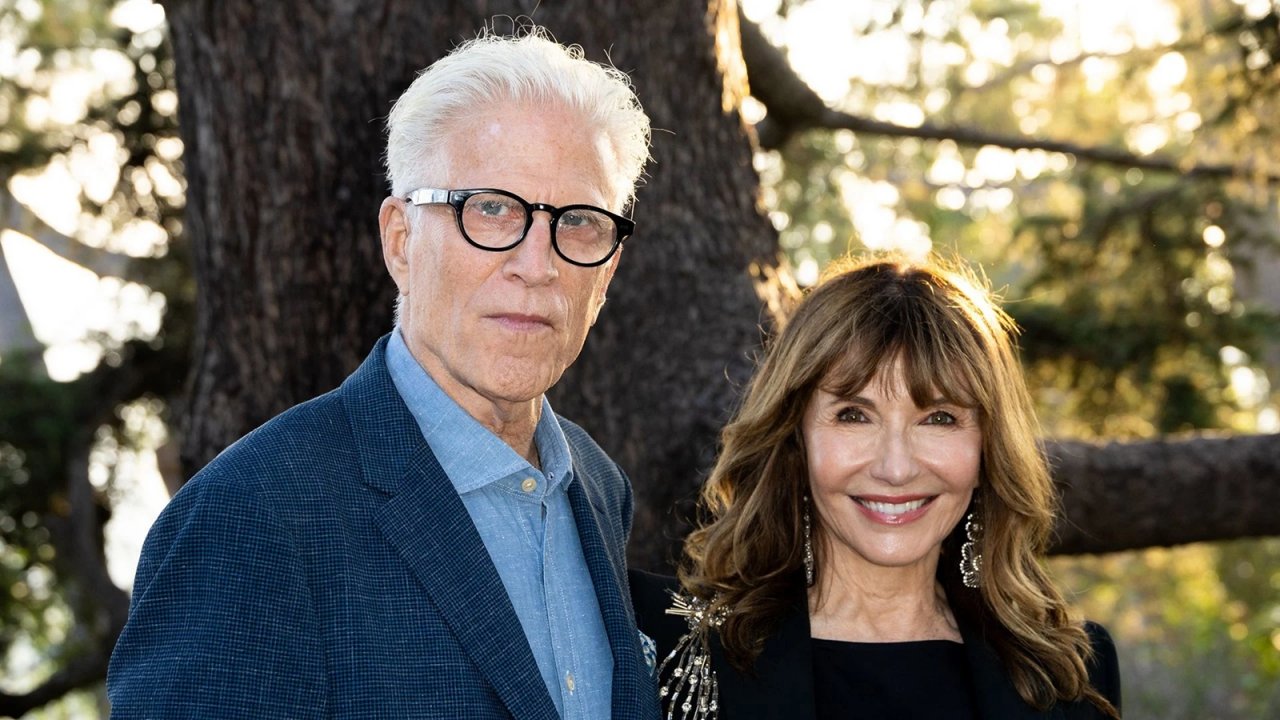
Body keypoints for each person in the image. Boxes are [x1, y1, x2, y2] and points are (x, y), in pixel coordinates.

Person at [108, 28, 658, 719]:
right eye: (491, 209)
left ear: (607, 271)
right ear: (401, 241)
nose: (537, 264)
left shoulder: (598, 487)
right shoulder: (249, 517)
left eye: (577, 222)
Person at [631, 254, 1122, 719]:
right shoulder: (666, 641)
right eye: (854, 415)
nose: (896, 468)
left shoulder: (1070, 675)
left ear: (987, 450)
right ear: (794, 438)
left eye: (939, 418)